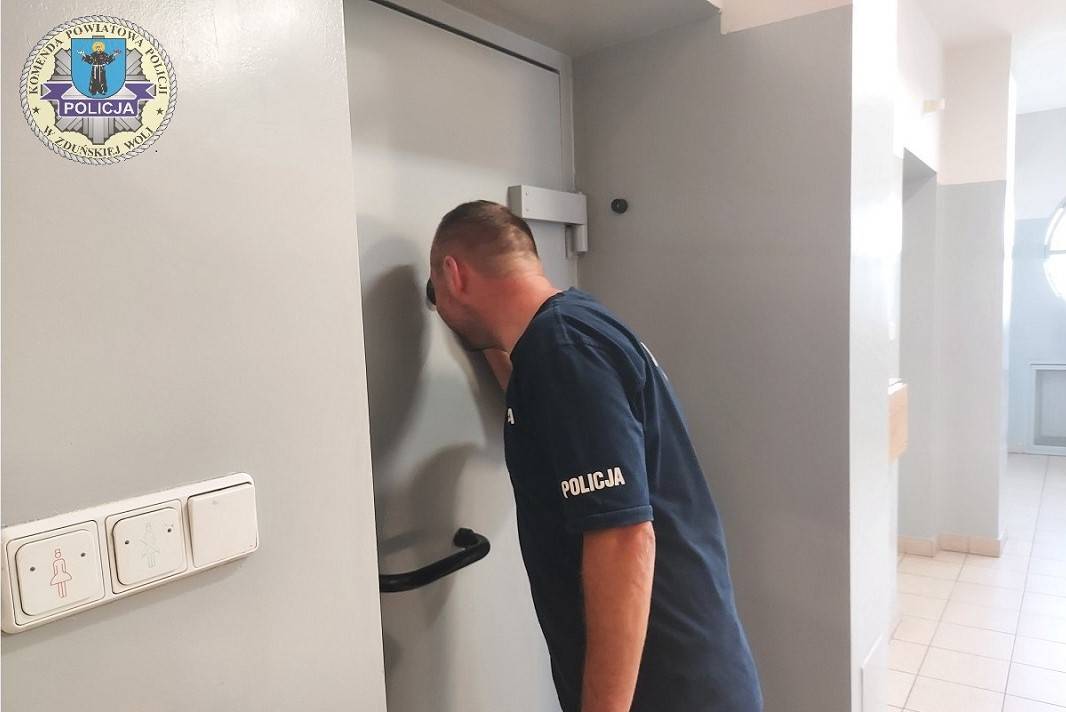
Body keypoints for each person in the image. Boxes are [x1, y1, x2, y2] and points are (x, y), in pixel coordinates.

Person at [427, 200, 762, 712]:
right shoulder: (573, 330)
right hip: (686, 669)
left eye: (437, 289)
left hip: (666, 688)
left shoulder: (563, 350)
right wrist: (485, 334)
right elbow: (552, 418)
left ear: (454, 274)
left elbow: (624, 536)